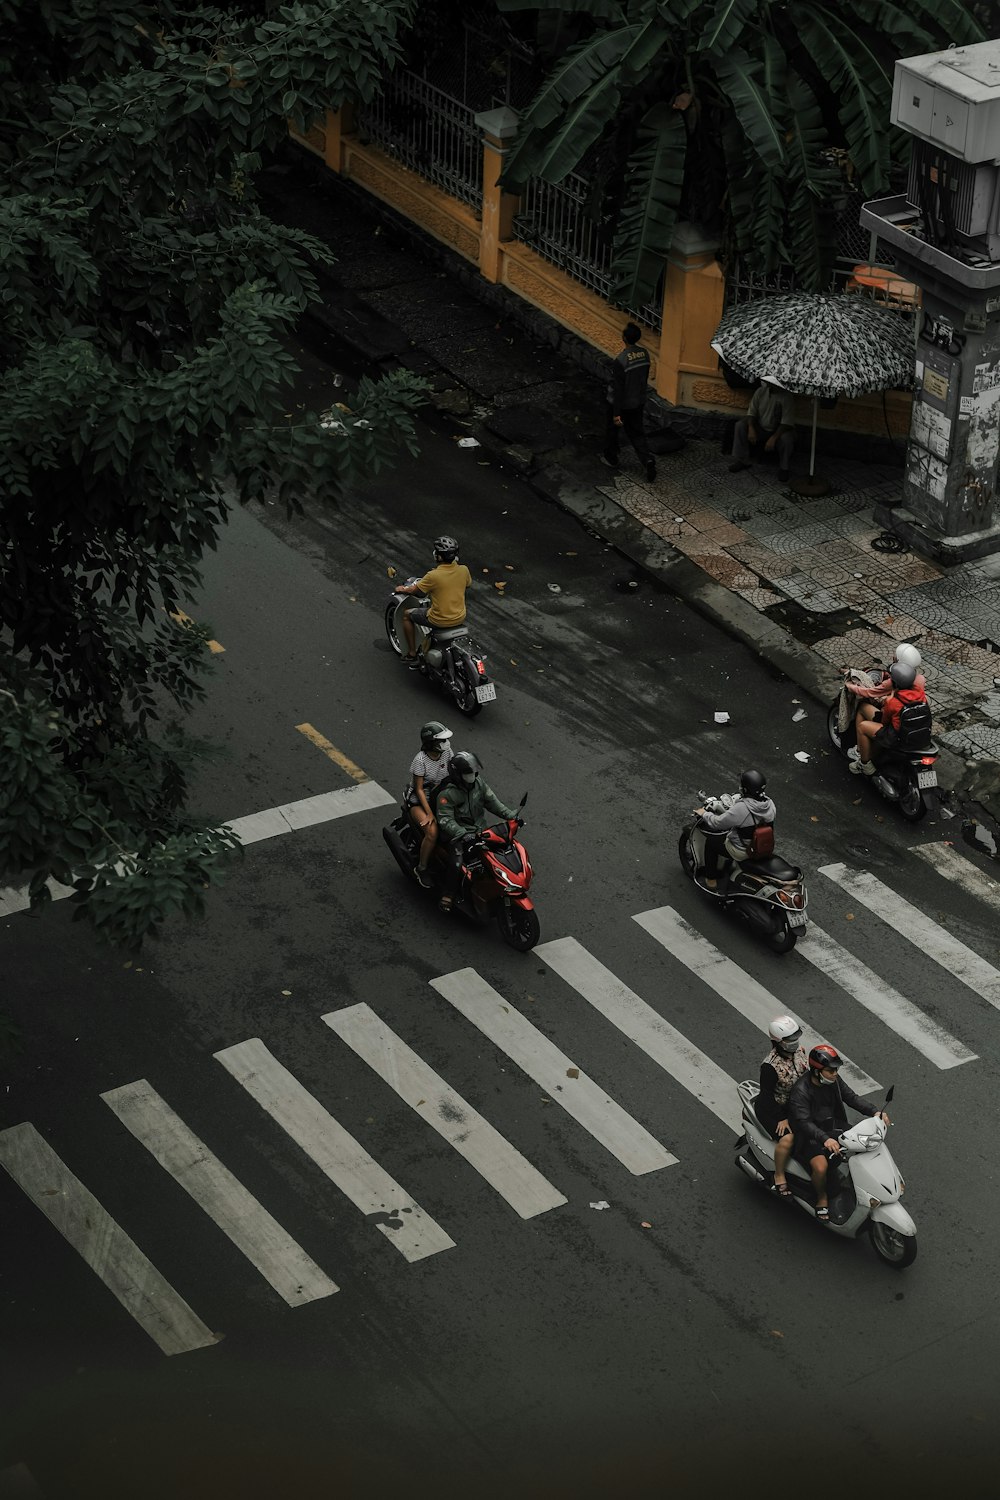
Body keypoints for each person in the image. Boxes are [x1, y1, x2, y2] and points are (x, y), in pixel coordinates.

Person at [787, 1045, 889, 1221]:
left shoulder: (833, 1081)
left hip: (832, 1125)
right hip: (811, 1136)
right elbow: (804, 1122)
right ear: (817, 1071)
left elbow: (851, 1097)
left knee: (867, 1143)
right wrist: (825, 1139)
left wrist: (874, 1112)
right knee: (820, 1167)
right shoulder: (801, 1091)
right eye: (830, 1070)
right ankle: (821, 1198)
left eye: (836, 1070)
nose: (835, 1073)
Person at [434, 750, 518, 914]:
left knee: (501, 851)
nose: (473, 775)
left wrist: (511, 816)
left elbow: (492, 802)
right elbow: (445, 820)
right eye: (468, 772)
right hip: (456, 836)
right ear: (458, 775)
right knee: (457, 862)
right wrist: (462, 833)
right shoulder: (447, 794)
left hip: (478, 832)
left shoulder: (478, 783)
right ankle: (448, 894)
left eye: (474, 771)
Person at [393, 536, 472, 667]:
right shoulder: (464, 570)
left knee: (407, 614)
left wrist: (403, 589)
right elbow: (467, 584)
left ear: (439, 557)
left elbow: (416, 591)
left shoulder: (433, 576)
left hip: (439, 619)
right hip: (460, 617)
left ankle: (412, 654)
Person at [694, 769, 775, 890]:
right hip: (762, 846)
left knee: (712, 843)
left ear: (746, 789)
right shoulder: (769, 803)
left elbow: (717, 823)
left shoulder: (742, 808)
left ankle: (710, 879)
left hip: (743, 851)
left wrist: (704, 813)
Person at [755, 1017, 808, 1197]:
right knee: (788, 1139)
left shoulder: (800, 1052)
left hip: (796, 1104)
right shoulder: (770, 1066)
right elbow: (766, 1096)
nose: (794, 1043)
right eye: (789, 1040)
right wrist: (781, 1118)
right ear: (778, 1042)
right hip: (774, 1109)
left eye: (795, 1038)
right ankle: (779, 1175)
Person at [851, 660, 931, 775]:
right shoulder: (920, 693)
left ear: (895, 684)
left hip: (897, 738)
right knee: (863, 707)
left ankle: (864, 764)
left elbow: (884, 721)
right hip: (918, 733)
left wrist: (889, 699)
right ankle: (862, 750)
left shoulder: (892, 702)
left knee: (862, 727)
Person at [602, 322, 656, 482]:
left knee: (612, 431)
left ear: (624, 338)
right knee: (637, 433)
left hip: (621, 404)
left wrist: (617, 413)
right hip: (638, 401)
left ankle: (611, 457)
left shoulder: (621, 360)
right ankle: (647, 460)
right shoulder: (645, 354)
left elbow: (619, 389)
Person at [406, 721, 453, 887]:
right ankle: (422, 868)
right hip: (420, 800)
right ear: (431, 743)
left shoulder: (447, 753)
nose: (446, 744)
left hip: (441, 794)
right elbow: (418, 789)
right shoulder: (420, 760)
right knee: (432, 832)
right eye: (441, 741)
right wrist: (429, 813)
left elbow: (453, 773)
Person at [729, 376, 796, 482]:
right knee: (740, 425)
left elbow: (786, 423)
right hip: (760, 427)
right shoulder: (760, 392)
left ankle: (784, 468)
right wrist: (751, 428)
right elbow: (751, 413)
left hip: (777, 431)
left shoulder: (786, 397)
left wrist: (773, 438)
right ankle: (743, 460)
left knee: (787, 439)